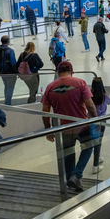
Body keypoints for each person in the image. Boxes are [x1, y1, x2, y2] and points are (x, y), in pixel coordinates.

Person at [41, 61, 98, 191]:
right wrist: (95, 120)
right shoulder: (80, 83)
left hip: (63, 128)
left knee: (68, 153)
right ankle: (76, 176)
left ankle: (70, 180)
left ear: (57, 72)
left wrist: (48, 129)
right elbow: (90, 105)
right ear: (72, 71)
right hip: (81, 125)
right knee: (88, 147)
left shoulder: (50, 87)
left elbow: (45, 111)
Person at [90, 77, 110, 174]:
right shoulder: (104, 96)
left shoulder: (90, 96)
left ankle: (97, 157)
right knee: (98, 142)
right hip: (102, 121)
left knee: (94, 140)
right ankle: (95, 165)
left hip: (91, 121)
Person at [0, 36, 16, 105]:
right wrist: (17, 72)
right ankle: (7, 103)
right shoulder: (10, 51)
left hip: (1, 71)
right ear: (8, 41)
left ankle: (7, 101)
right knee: (10, 87)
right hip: (10, 72)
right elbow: (13, 63)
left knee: (6, 86)